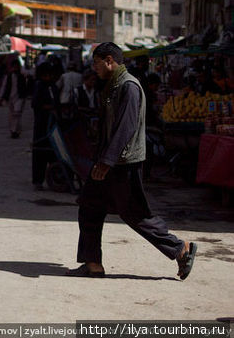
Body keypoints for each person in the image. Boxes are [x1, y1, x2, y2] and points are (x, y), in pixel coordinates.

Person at [68, 42, 196, 280]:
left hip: (122, 163)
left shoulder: (129, 86)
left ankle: (180, 249)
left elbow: (125, 128)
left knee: (135, 215)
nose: (94, 68)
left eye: (96, 63)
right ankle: (93, 263)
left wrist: (106, 162)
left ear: (109, 60)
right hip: (109, 160)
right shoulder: (113, 85)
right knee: (89, 207)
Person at [31, 63, 58, 190]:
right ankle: (38, 180)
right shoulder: (39, 86)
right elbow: (36, 104)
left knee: (53, 152)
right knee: (40, 152)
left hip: (53, 125)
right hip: (42, 125)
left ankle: (53, 177)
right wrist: (49, 108)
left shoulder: (53, 86)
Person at [1, 58, 28, 139]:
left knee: (16, 113)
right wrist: (2, 96)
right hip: (10, 98)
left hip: (20, 97)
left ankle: (15, 130)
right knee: (12, 115)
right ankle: (15, 130)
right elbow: (4, 86)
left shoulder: (22, 75)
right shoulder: (9, 76)